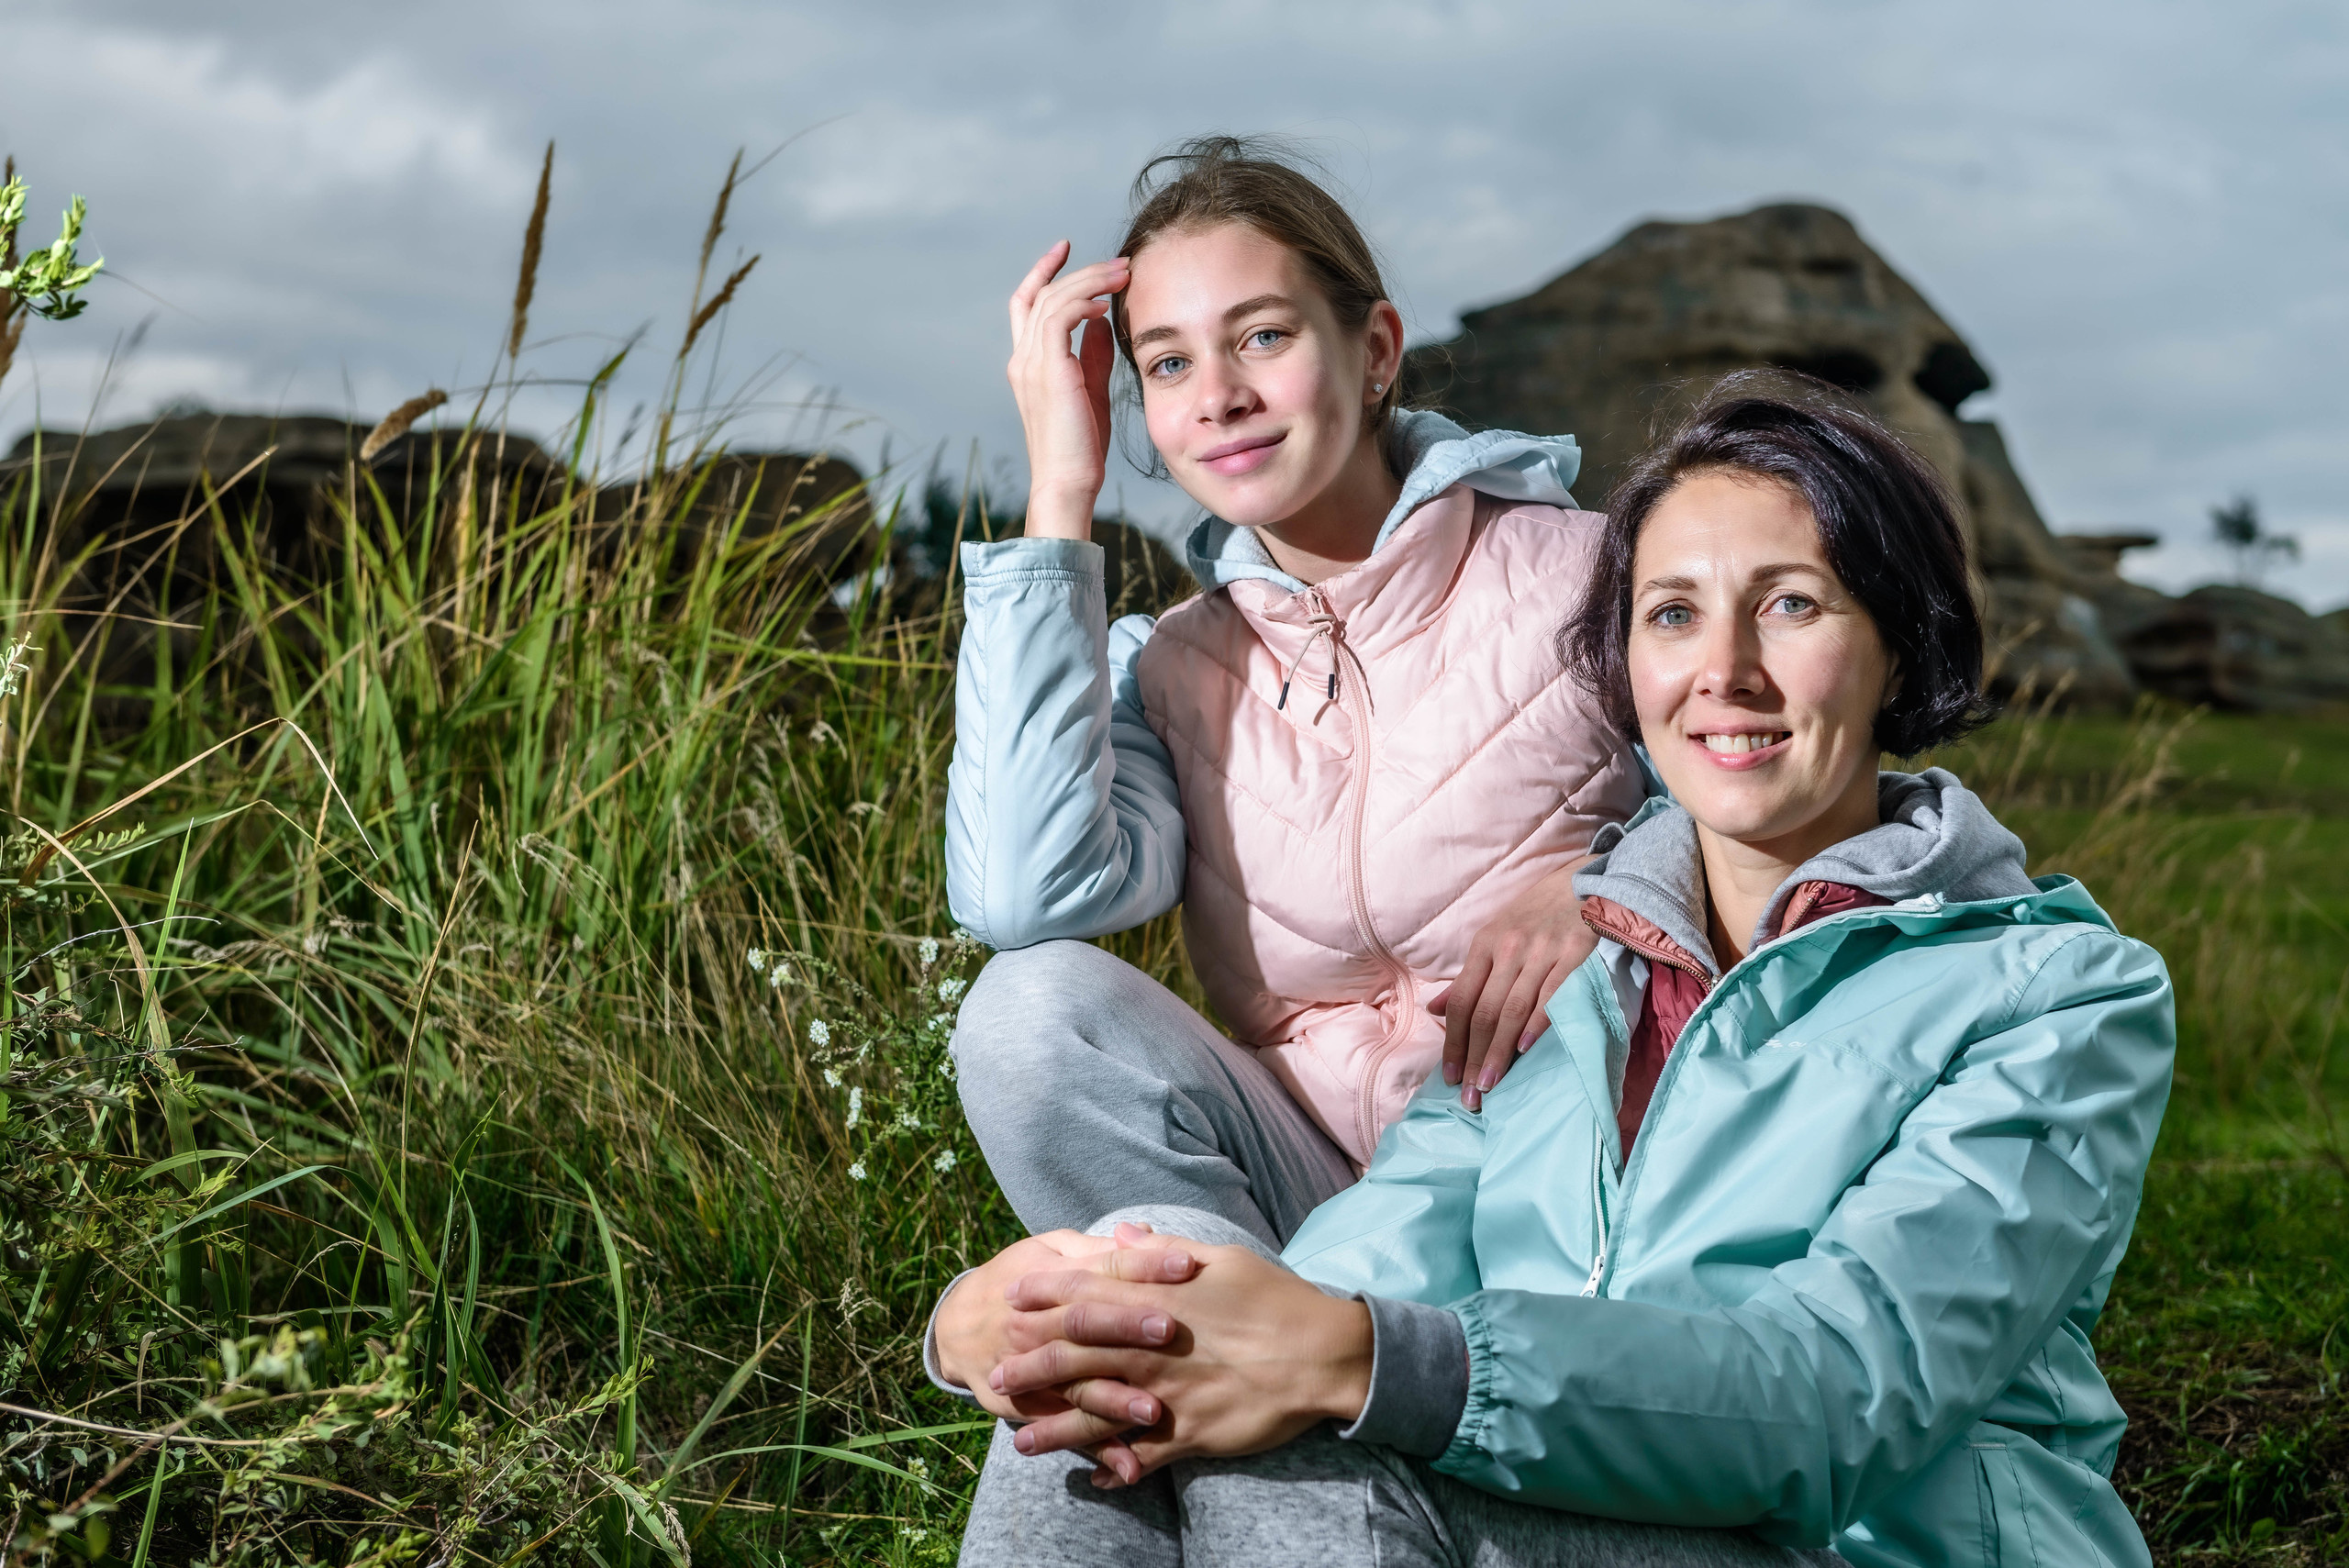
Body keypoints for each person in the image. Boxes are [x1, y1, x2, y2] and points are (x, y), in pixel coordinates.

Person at [935, 378, 2176, 1568]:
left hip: (1848, 1545)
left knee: (1323, 1437)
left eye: (1793, 604)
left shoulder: (2057, 995)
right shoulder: (1570, 984)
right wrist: (1033, 1322)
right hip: (1569, 1512)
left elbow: (1838, 1401)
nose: (1724, 670)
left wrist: (1368, 1366)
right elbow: (1339, 1270)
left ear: (1898, 649)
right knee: (1144, 1351)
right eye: (1674, 613)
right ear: (1626, 667)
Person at [942, 132, 1646, 1268]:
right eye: (1166, 364)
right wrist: (1059, 493)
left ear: (1373, 350)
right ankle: (1237, 1360)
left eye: (1262, 336)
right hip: (1311, 1195)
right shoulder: (1167, 666)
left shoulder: (1594, 573)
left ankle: (1263, 1392)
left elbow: (1789, 814)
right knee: (1027, 1009)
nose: (1217, 397)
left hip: (1564, 1186)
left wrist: (1613, 887)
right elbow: (1024, 901)